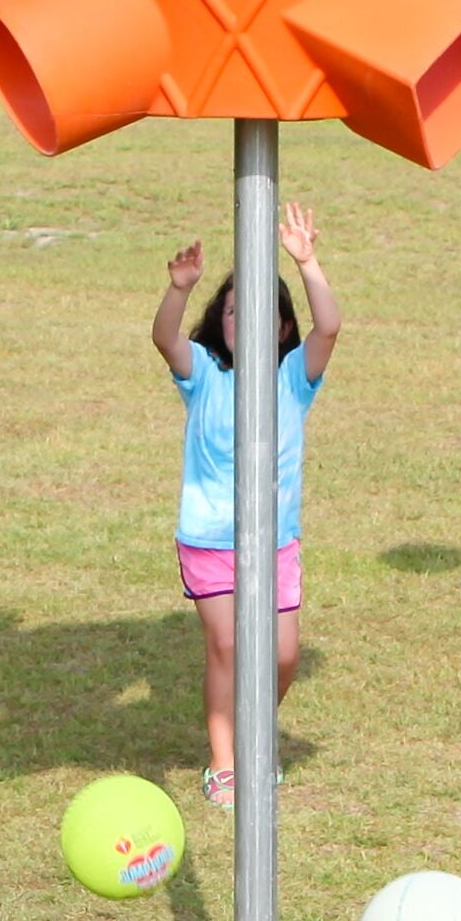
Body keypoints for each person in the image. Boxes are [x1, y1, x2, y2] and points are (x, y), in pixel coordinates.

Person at [151, 203, 341, 806]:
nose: (242, 318)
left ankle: (253, 736)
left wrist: (307, 263)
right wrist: (178, 289)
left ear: (282, 326)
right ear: (221, 320)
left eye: (258, 310)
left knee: (283, 654)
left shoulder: (292, 377)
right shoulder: (204, 371)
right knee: (230, 647)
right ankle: (225, 761)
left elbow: (330, 328)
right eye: (232, 309)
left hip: (275, 541)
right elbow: (164, 338)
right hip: (209, 538)